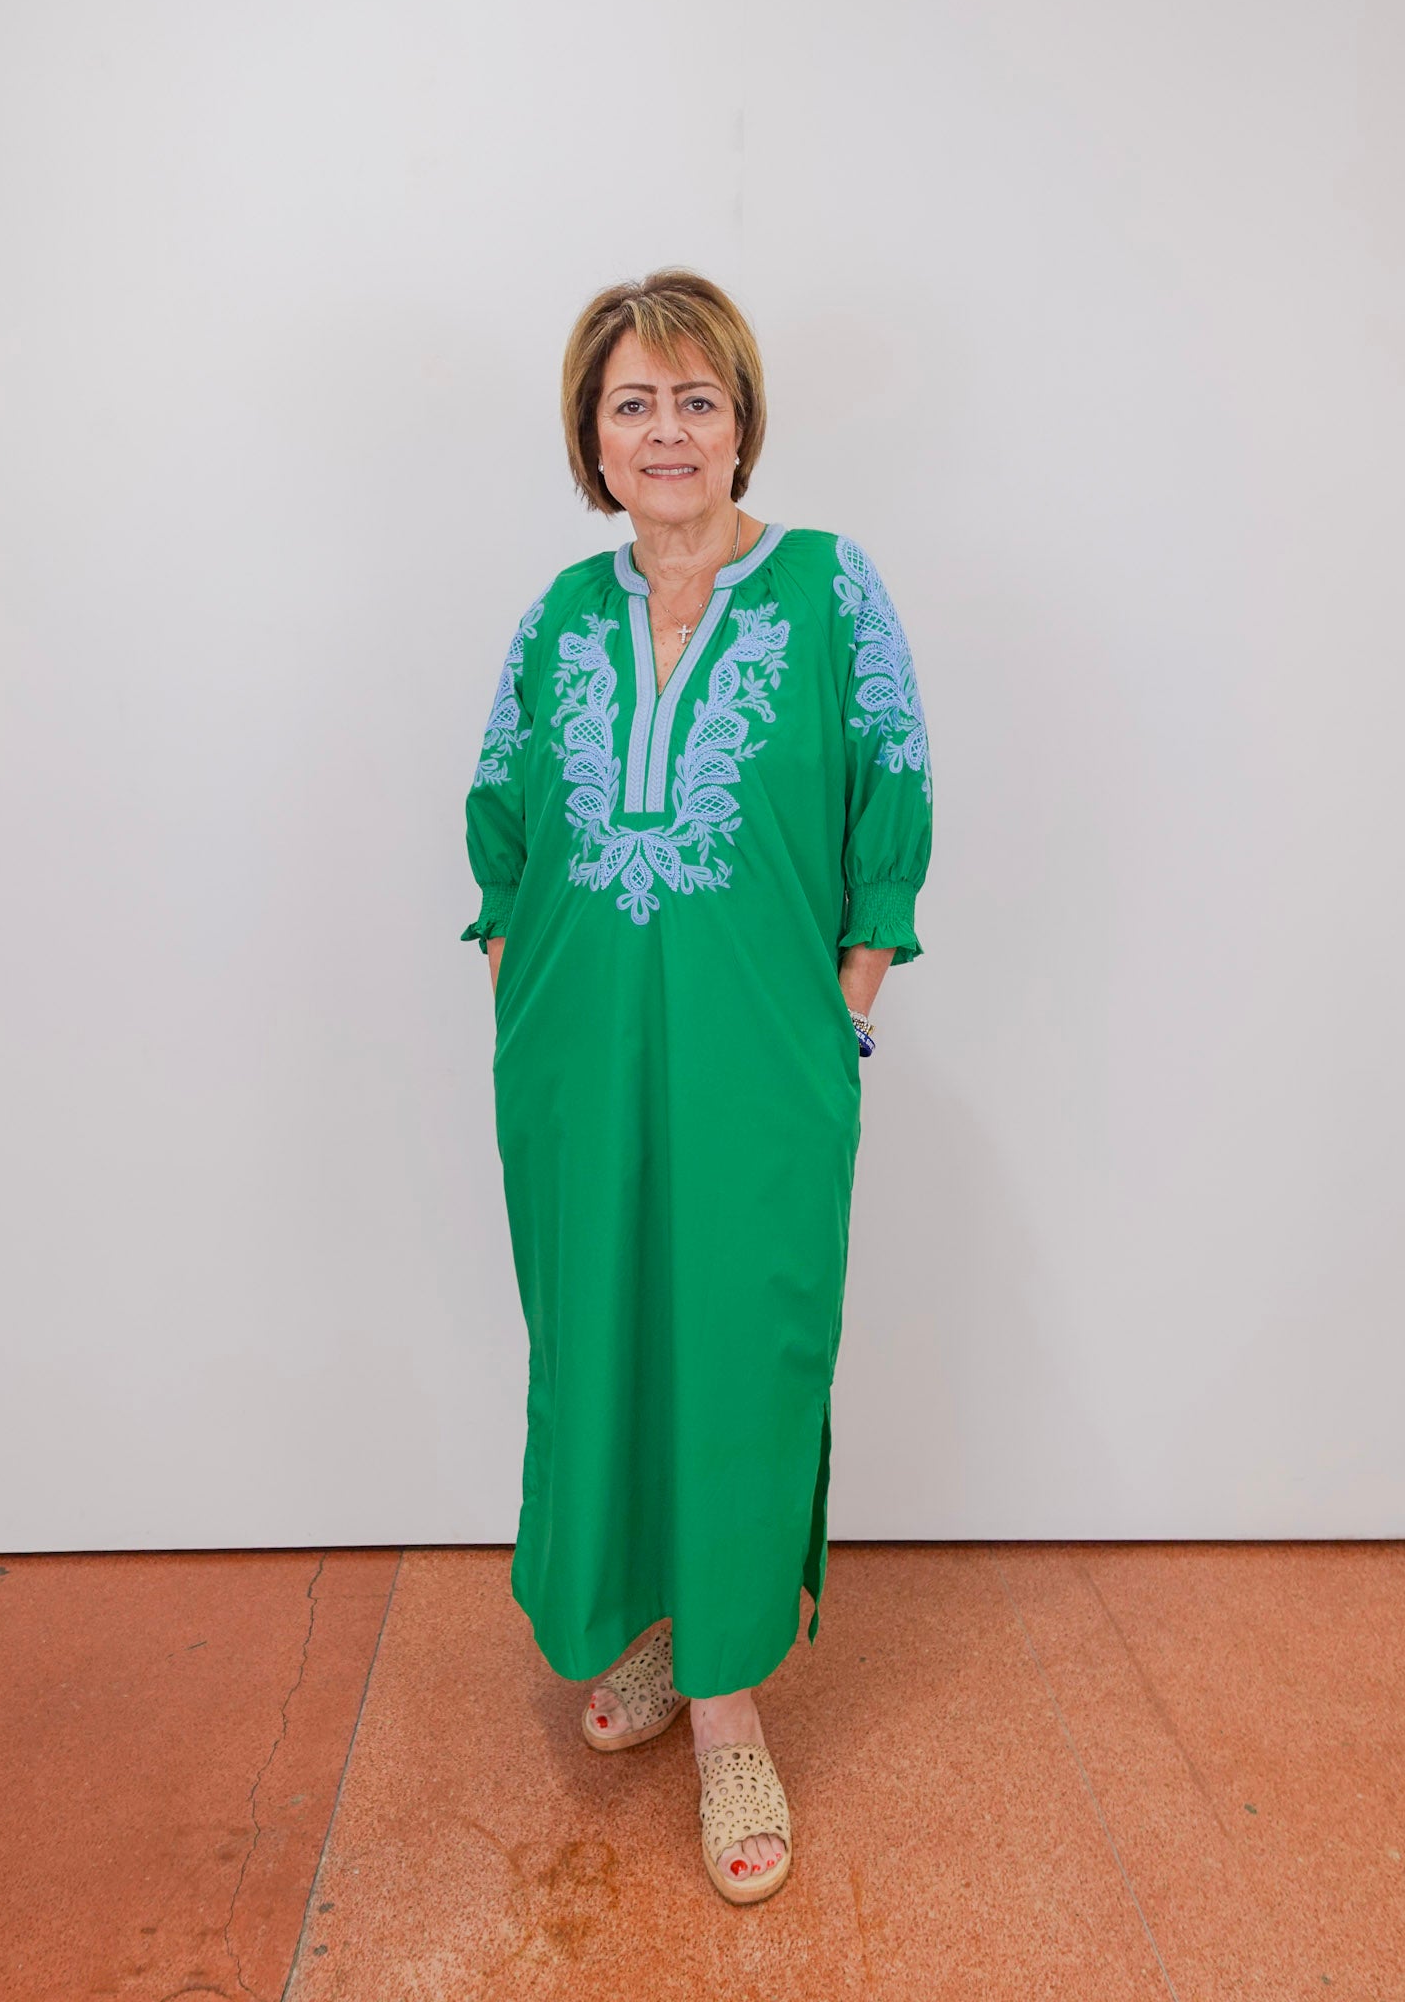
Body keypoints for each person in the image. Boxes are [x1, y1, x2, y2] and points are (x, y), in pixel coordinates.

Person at [459, 267, 933, 1904]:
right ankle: (657, 1632)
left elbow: (896, 798)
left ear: (743, 424)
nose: (668, 432)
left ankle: (730, 1702)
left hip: (761, 1064)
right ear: (594, 437)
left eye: (698, 400)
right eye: (633, 403)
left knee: (741, 1348)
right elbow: (503, 832)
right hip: (581, 1066)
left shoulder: (828, 593)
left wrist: (849, 1004)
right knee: (607, 1341)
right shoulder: (558, 619)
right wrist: (522, 1001)